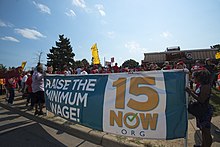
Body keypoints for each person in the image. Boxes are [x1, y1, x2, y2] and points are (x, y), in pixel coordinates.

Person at [185, 70, 213, 147]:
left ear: (200, 78)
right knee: (203, 131)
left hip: (205, 111)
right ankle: (203, 145)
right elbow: (198, 93)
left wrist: (190, 93)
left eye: (195, 77)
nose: (194, 79)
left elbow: (201, 99)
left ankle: (206, 145)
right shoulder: (201, 85)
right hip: (202, 111)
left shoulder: (206, 87)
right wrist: (192, 91)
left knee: (206, 132)